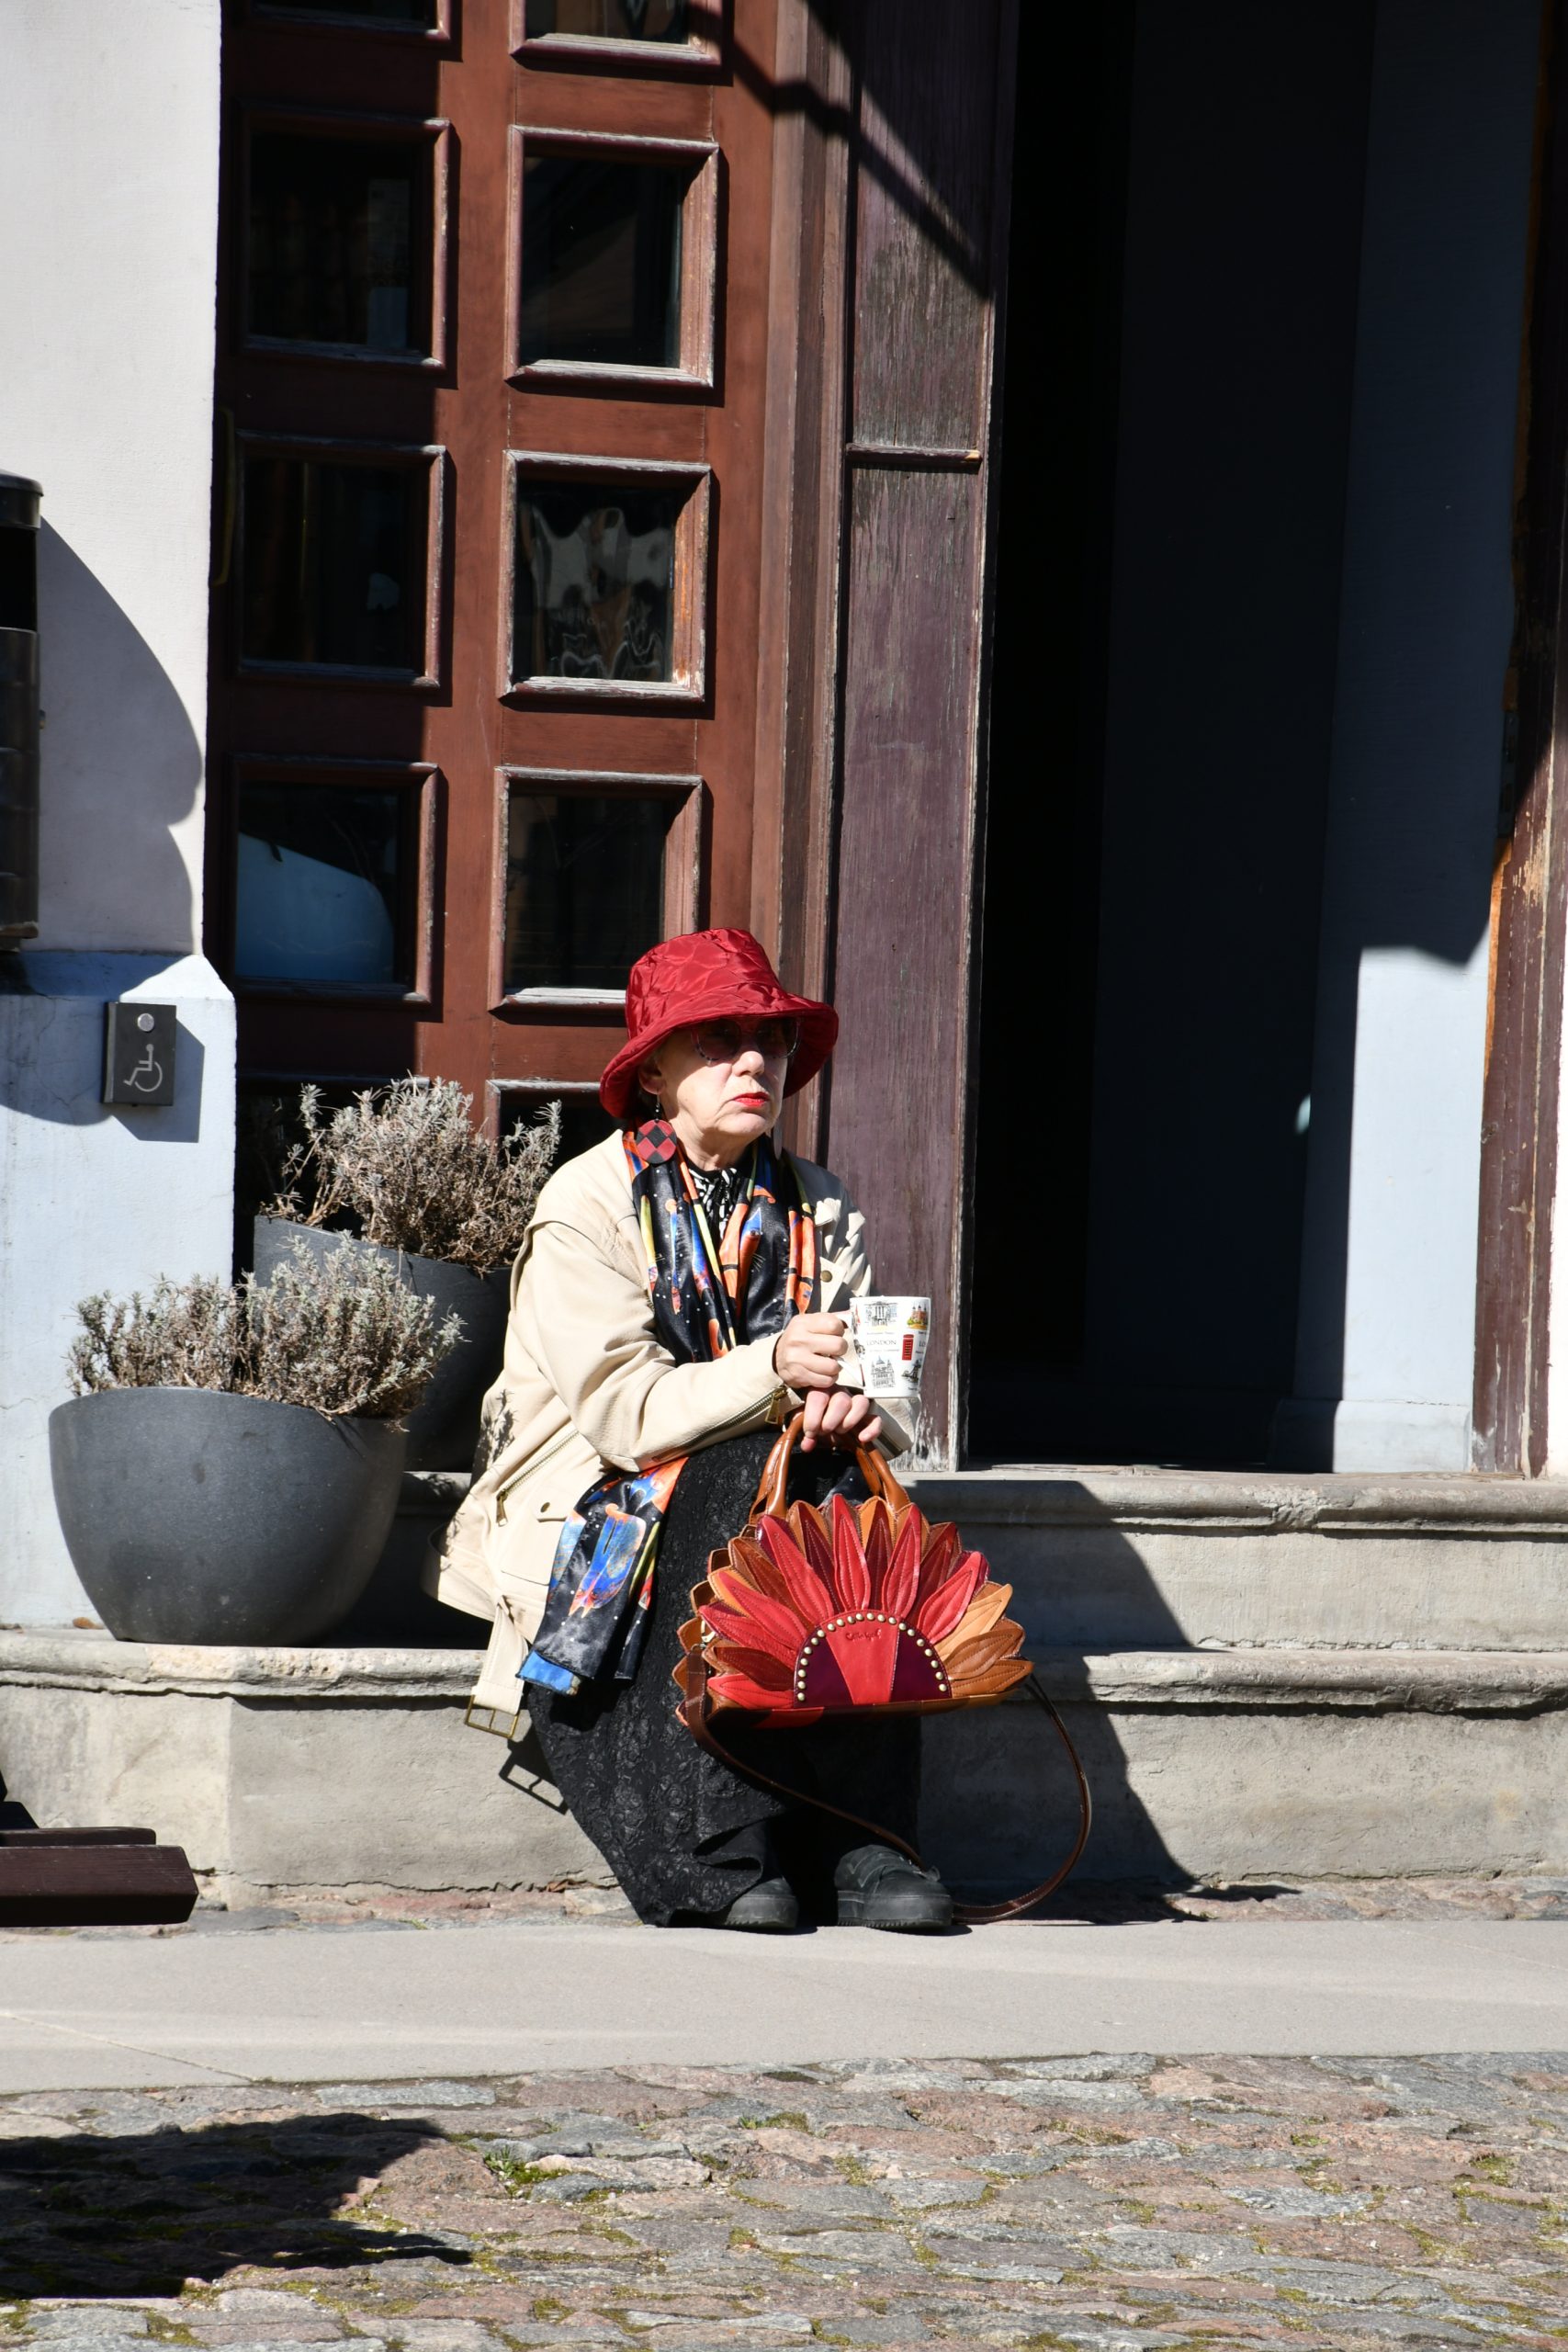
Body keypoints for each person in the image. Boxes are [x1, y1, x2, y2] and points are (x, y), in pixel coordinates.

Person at [427, 927, 952, 1933]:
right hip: (608, 1511)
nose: (754, 1063)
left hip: (791, 1497)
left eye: (771, 1042)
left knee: (847, 1493)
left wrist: (862, 1407)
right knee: (747, 1466)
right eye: (718, 1041)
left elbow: (883, 1381)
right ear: (654, 1073)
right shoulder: (586, 1202)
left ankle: (866, 1840)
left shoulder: (820, 1203)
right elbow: (625, 1416)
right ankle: (726, 1838)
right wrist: (777, 1369)